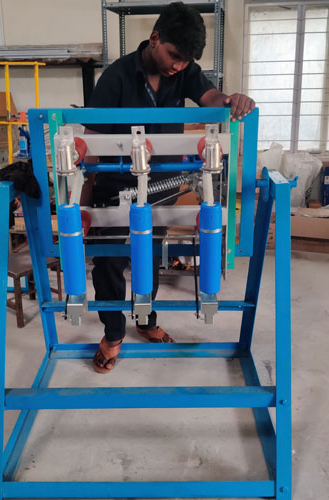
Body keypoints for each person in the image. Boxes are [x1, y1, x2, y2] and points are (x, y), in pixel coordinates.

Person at [86, 1, 255, 373]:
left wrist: (231, 100)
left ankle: (145, 320)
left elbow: (211, 98)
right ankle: (113, 334)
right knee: (109, 261)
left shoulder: (186, 73)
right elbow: (92, 135)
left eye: (185, 60)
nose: (177, 65)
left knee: (149, 254)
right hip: (116, 185)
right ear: (154, 38)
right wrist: (85, 192)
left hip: (164, 186)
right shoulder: (116, 77)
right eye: (174, 55)